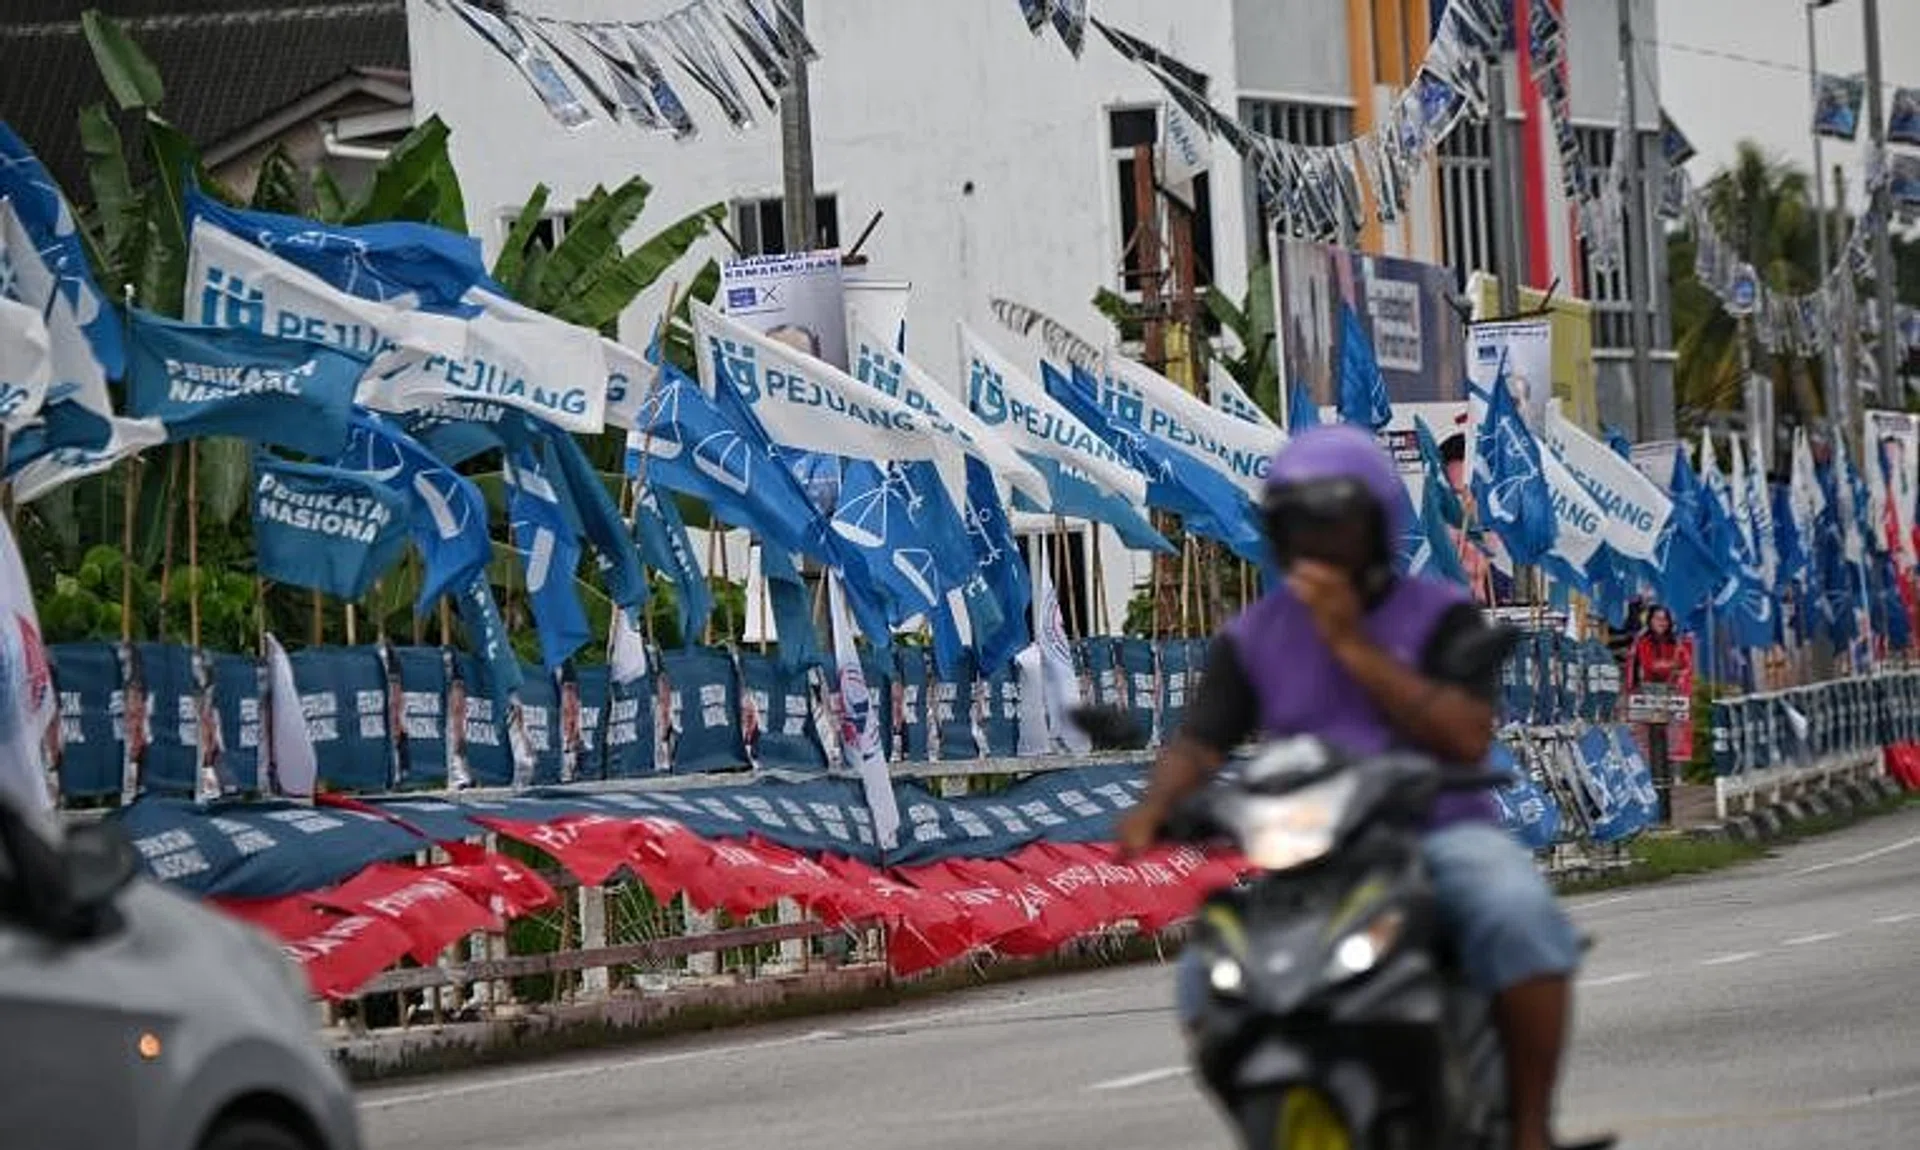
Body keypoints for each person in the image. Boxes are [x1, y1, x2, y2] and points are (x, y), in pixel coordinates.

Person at [1117, 425, 1587, 1150]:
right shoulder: (1254, 633)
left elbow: (1465, 734)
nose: (1317, 538)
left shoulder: (1438, 613)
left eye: (1334, 519)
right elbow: (1199, 742)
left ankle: (1530, 1127)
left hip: (1438, 831)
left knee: (1515, 913)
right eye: (1298, 520)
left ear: (1375, 523)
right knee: (1204, 978)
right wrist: (1155, 807)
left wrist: (1349, 645)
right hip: (1312, 849)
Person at [1627, 606, 1686, 690]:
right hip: (1646, 689)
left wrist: (1664, 665)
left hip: (1672, 689)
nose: (1661, 623)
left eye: (1665, 619)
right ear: (1650, 621)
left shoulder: (1676, 642)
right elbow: (1649, 666)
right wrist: (1672, 665)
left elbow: (1684, 664)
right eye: (1657, 619)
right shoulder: (1642, 641)